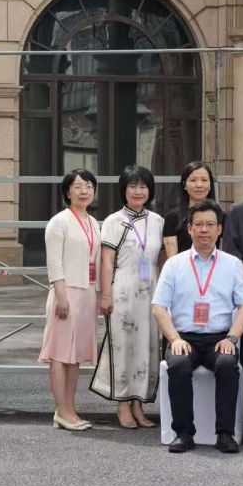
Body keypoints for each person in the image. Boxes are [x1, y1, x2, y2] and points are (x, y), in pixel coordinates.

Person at [151, 200, 243, 453]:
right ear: (189, 229)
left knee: (227, 365)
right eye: (198, 224)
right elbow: (159, 308)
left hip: (220, 338)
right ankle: (183, 433)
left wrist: (232, 338)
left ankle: (225, 433)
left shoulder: (232, 264)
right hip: (184, 338)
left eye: (210, 224)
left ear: (219, 229)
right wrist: (174, 339)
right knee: (178, 365)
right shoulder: (174, 264)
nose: (204, 230)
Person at [95, 165, 165, 429]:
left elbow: (161, 259)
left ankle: (139, 403)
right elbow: (106, 260)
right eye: (132, 186)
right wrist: (105, 295)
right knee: (122, 347)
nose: (138, 191)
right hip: (123, 291)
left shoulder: (157, 221)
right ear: (123, 190)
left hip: (150, 292)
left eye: (143, 186)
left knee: (146, 347)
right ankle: (122, 403)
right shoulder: (114, 221)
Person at [41, 169, 102, 432]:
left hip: (87, 292)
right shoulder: (59, 222)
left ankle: (68, 408)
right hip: (66, 292)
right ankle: (62, 410)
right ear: (67, 192)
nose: (84, 191)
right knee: (59, 354)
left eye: (88, 186)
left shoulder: (93, 222)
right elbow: (54, 262)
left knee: (74, 355)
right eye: (77, 186)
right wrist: (61, 296)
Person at [161, 160, 216, 262]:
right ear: (184, 184)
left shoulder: (221, 216)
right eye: (193, 180)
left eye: (204, 180)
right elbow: (172, 259)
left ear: (210, 184)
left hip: (214, 270)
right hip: (183, 270)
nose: (199, 185)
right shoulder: (173, 217)